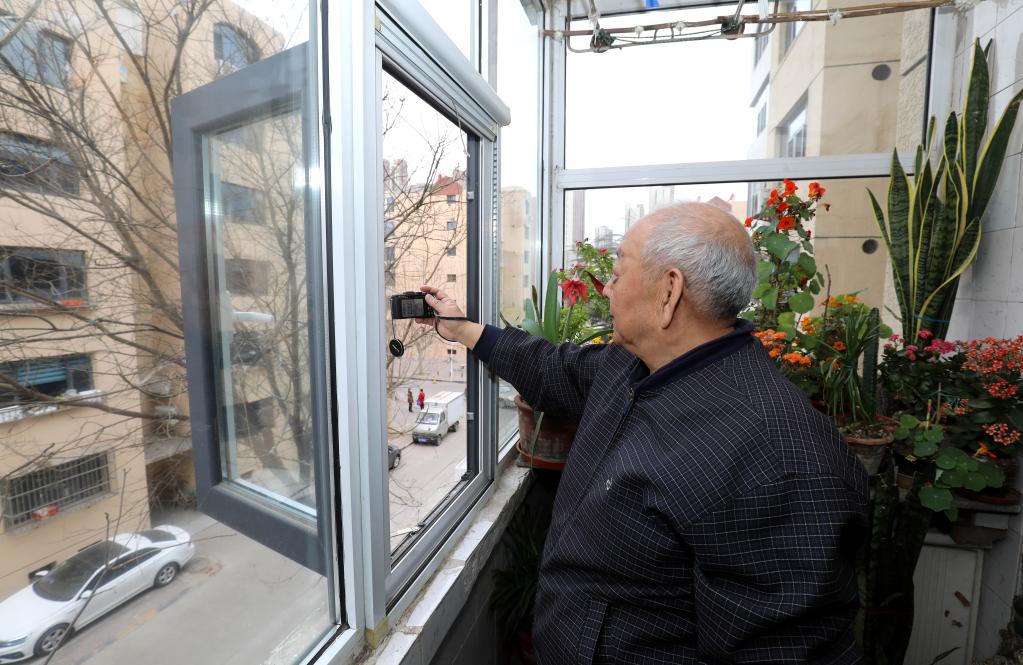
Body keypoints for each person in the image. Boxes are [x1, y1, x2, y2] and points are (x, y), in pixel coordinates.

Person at [417, 202, 868, 664]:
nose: (607, 289)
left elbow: (783, 653)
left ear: (669, 291)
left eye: (617, 274)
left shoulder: (777, 455)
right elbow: (552, 369)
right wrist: (463, 329)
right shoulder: (631, 367)